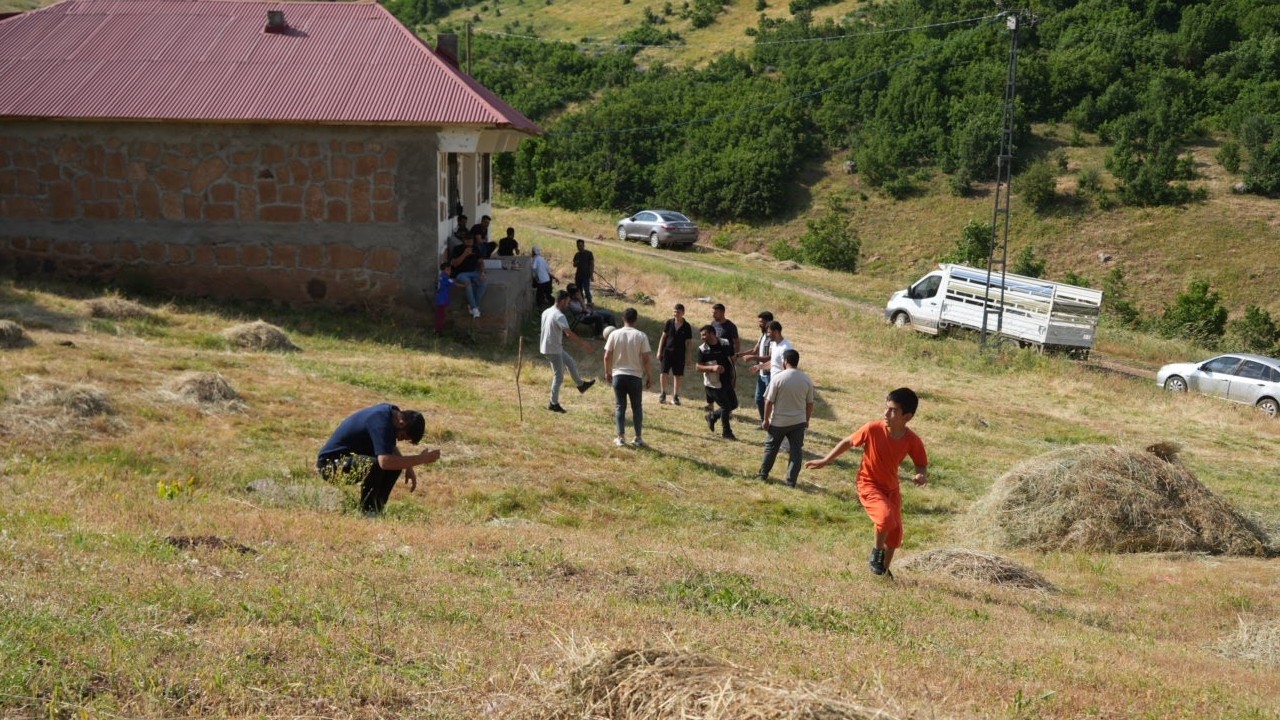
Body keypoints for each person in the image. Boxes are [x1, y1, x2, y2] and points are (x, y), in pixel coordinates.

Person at [805, 388, 928, 578]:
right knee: (885, 518)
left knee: (895, 535)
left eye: (893, 410)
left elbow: (921, 463)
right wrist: (826, 460)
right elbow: (848, 442)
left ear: (907, 417)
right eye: (886, 408)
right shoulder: (873, 429)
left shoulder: (911, 440)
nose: (886, 413)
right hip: (868, 484)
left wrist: (921, 475)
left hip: (891, 489)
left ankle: (883, 572)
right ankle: (876, 555)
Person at [316, 403, 440, 514]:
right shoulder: (380, 422)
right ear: (402, 423)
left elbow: (389, 447)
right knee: (376, 464)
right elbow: (385, 462)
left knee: (394, 466)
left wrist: (408, 466)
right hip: (330, 465)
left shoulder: (391, 414)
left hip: (346, 461)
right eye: (402, 436)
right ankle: (368, 511)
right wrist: (422, 459)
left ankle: (376, 510)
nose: (399, 439)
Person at [758, 349, 814, 488]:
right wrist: (806, 420)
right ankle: (791, 482)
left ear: (785, 361)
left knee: (771, 448)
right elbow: (810, 404)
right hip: (798, 422)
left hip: (779, 422)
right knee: (796, 452)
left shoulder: (778, 378)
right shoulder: (806, 379)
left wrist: (766, 420)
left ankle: (763, 474)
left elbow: (768, 401)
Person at [540, 290, 596, 413]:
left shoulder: (547, 311)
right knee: (558, 377)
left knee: (570, 362)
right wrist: (584, 344)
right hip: (553, 349)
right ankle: (553, 404)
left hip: (550, 347)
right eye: (567, 302)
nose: (568, 305)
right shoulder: (559, 316)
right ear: (561, 301)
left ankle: (581, 385)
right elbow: (569, 334)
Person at [604, 307, 652, 447]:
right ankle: (638, 437)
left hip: (618, 375)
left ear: (623, 319)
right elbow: (646, 359)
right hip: (635, 376)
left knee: (620, 406)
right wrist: (649, 376)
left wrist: (607, 372)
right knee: (637, 407)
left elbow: (607, 356)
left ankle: (620, 437)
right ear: (636, 319)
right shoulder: (641, 336)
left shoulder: (614, 334)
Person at [696, 324, 738, 439]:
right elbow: (698, 367)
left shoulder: (725, 343)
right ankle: (727, 432)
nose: (702, 337)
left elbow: (732, 357)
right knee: (725, 407)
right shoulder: (702, 349)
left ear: (712, 334)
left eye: (704, 335)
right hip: (713, 385)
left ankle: (712, 416)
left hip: (727, 381)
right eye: (701, 335)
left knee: (733, 404)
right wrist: (712, 368)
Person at [736, 310, 775, 422]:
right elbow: (755, 350)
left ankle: (770, 422)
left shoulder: (772, 339)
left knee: (769, 400)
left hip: (770, 374)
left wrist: (753, 358)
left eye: (761, 322)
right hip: (761, 374)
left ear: (768, 322)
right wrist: (739, 355)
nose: (759, 324)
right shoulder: (762, 335)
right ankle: (764, 421)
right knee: (759, 399)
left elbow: (770, 358)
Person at [704, 303, 740, 411]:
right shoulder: (713, 324)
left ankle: (728, 408)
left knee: (726, 384)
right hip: (713, 358)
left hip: (726, 359)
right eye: (712, 312)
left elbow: (736, 342)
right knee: (709, 381)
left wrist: (735, 355)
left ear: (722, 312)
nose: (713, 315)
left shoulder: (730, 326)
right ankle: (710, 404)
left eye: (715, 313)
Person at [656, 303, 693, 405]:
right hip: (667, 352)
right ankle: (663, 393)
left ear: (683, 313)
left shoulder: (687, 326)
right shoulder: (669, 322)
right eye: (674, 311)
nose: (676, 314)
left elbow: (689, 342)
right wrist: (659, 351)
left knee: (677, 375)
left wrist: (688, 357)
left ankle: (675, 396)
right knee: (663, 373)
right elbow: (663, 337)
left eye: (678, 312)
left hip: (679, 354)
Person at [449, 230, 487, 318]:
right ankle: (474, 308)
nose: (470, 242)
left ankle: (474, 305)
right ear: (464, 240)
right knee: (467, 283)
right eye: (468, 240)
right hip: (461, 273)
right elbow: (455, 264)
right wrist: (465, 254)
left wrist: (482, 272)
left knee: (483, 283)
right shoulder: (457, 249)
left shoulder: (476, 248)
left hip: (474, 272)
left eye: (471, 240)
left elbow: (481, 262)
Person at [434, 261, 468, 335]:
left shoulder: (440, 277)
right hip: (442, 299)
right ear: (443, 270)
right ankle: (438, 331)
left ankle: (438, 330)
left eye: (450, 270)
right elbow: (454, 283)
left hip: (440, 299)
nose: (449, 271)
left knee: (441, 315)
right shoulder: (445, 278)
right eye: (448, 270)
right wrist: (464, 285)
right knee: (441, 316)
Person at [572, 238, 596, 306]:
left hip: (586, 275)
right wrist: (576, 263)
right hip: (578, 275)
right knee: (578, 290)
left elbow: (592, 264)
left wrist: (591, 275)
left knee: (586, 289)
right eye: (578, 246)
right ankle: (581, 302)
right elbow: (574, 265)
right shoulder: (577, 254)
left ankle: (589, 302)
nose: (579, 247)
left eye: (580, 245)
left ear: (583, 245)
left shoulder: (589, 253)